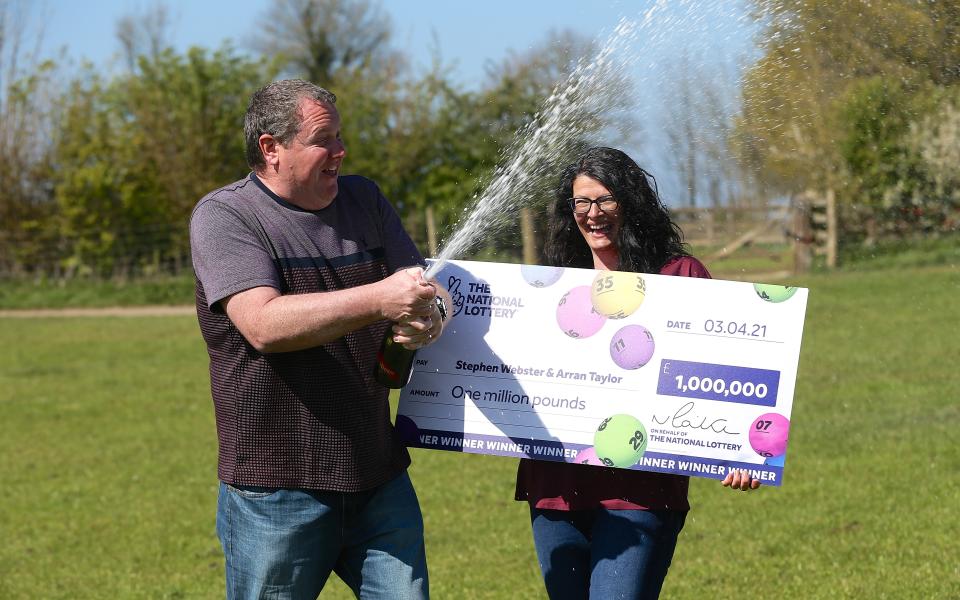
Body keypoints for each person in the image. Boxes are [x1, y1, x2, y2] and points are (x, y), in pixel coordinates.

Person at [189, 79, 450, 599]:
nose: (340, 151)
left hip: (378, 471)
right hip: (277, 485)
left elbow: (422, 288)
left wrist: (432, 316)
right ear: (271, 148)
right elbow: (263, 325)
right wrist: (379, 300)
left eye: (340, 136)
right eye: (322, 139)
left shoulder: (365, 198)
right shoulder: (227, 217)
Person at [514, 147, 760, 600]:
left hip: (640, 489)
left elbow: (719, 366)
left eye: (606, 200)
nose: (593, 214)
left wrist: (741, 447)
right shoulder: (550, 285)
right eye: (581, 203)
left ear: (630, 202)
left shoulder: (679, 276)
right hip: (556, 489)